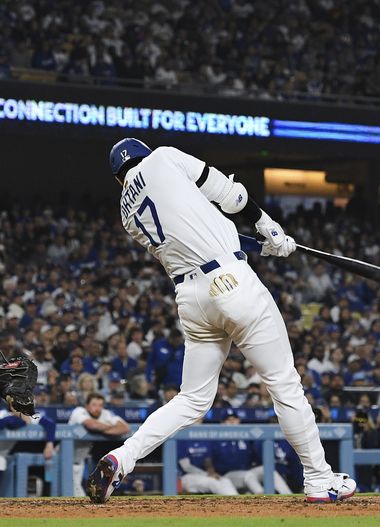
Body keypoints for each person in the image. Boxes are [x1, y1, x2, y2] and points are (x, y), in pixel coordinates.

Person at [88, 138, 355, 504]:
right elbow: (232, 196)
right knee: (283, 383)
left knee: (192, 399)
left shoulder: (126, 210)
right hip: (231, 282)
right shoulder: (163, 157)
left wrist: (263, 244)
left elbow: (195, 229)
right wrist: (266, 223)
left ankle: (123, 457)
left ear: (120, 178)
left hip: (191, 299)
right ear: (144, 153)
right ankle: (319, 479)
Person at [206, 409, 292, 494]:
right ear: (222, 423)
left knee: (267, 470)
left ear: (239, 420)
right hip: (227, 475)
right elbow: (208, 457)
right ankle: (262, 498)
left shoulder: (246, 436)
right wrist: (211, 471)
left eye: (234, 419)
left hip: (248, 471)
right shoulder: (216, 439)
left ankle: (288, 496)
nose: (232, 422)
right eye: (228, 420)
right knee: (248, 475)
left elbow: (260, 436)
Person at [69, 393, 130, 497]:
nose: (97, 408)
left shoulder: (105, 414)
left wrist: (101, 430)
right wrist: (110, 428)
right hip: (63, 458)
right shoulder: (79, 411)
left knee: (77, 496)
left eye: (100, 405)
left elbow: (125, 428)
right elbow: (92, 425)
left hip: (79, 461)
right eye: (94, 405)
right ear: (87, 406)